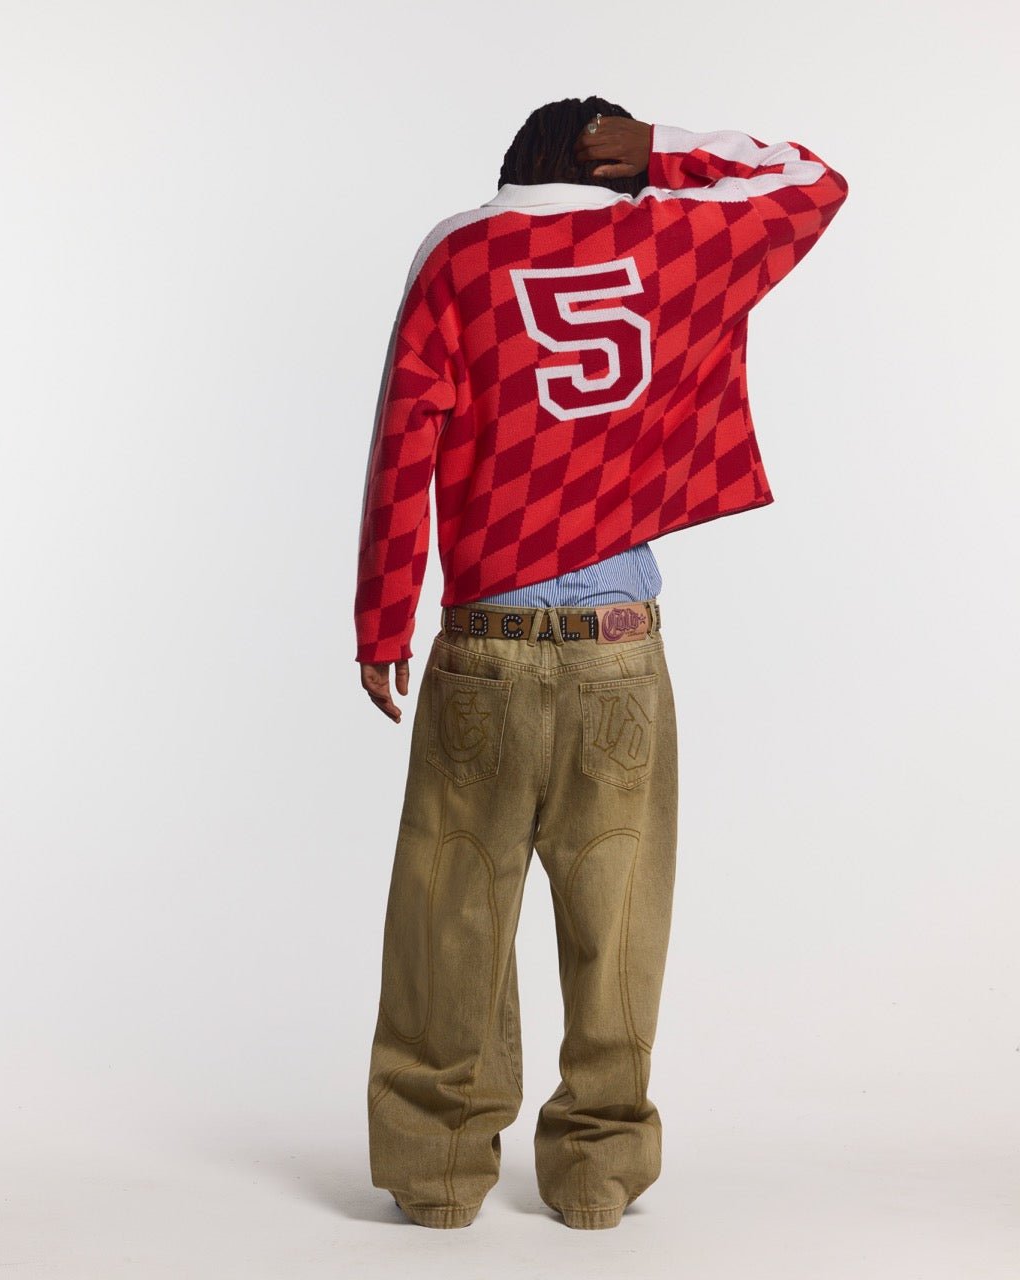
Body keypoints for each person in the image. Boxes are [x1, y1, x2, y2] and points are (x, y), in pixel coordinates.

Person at [355, 96, 849, 1229]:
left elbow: (402, 439)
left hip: (485, 643)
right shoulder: (674, 240)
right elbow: (811, 182)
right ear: (615, 166)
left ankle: (435, 1176)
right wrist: (669, 151)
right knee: (618, 917)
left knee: (449, 908)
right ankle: (596, 1173)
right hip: (619, 646)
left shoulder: (460, 252)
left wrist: (382, 622)